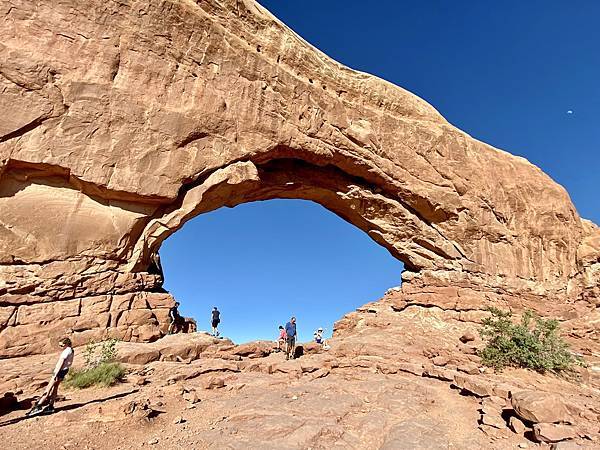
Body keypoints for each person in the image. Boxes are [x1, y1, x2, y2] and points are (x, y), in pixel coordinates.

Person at [27, 337, 74, 415]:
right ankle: (51, 406)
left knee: (48, 388)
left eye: (62, 346)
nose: (60, 347)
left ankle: (38, 406)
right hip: (64, 371)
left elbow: (60, 363)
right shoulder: (71, 350)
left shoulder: (66, 351)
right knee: (55, 388)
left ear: (66, 344)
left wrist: (55, 374)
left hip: (59, 371)